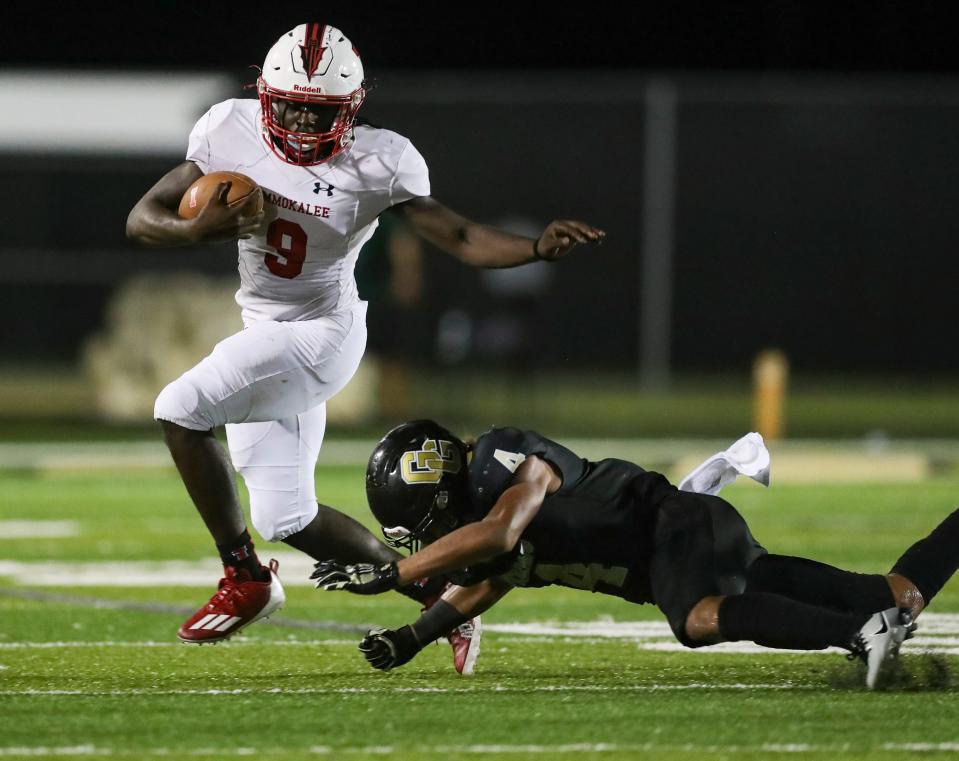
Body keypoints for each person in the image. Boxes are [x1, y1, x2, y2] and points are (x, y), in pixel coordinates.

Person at [124, 21, 605, 671]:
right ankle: (442, 596)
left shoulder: (378, 159)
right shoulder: (226, 128)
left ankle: (244, 576)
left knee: (179, 408)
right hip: (262, 330)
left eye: (314, 110)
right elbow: (142, 217)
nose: (296, 120)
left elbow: (459, 237)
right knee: (287, 515)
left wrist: (532, 248)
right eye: (287, 103)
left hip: (323, 334)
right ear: (264, 96)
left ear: (348, 110)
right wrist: (194, 231)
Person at [313, 420, 959, 688]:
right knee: (899, 591)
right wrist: (410, 637)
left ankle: (857, 634)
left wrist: (395, 572)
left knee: (698, 619)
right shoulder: (478, 526)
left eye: (420, 524)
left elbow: (502, 534)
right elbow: (487, 578)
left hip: (671, 519)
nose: (423, 539)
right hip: (693, 544)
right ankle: (884, 606)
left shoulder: (503, 464)